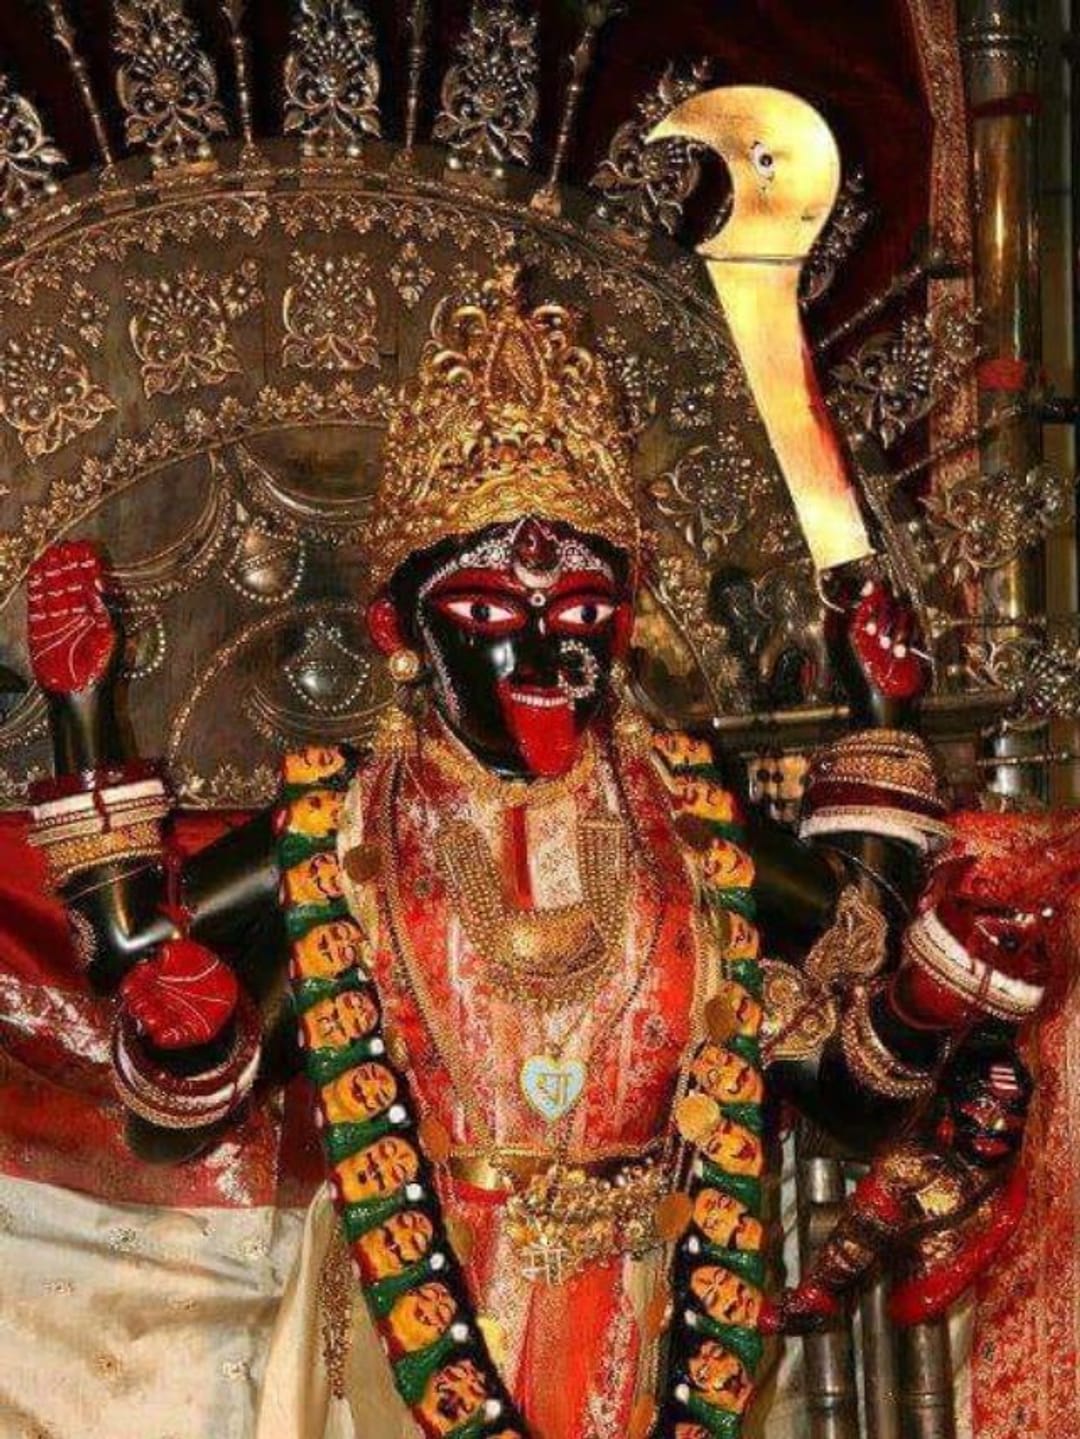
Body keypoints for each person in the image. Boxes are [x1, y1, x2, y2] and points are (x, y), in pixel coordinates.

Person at [20, 269, 1046, 1439]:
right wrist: (85, 720)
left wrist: (920, 993)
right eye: (491, 617)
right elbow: (158, 1042)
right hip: (418, 1325)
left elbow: (846, 1082)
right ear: (398, 629)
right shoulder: (346, 831)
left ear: (630, 614)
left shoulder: (688, 829)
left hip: (657, 1330)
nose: (547, 657)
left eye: (583, 614)